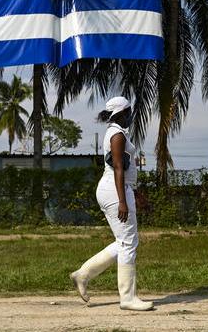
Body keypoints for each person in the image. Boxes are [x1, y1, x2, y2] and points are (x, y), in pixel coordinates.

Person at [69, 96, 153, 311]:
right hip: (115, 192)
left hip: (118, 190)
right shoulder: (117, 134)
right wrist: (123, 202)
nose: (131, 116)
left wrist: (135, 194)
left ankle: (83, 274)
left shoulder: (117, 132)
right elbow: (117, 168)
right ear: (122, 113)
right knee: (128, 244)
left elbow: (124, 169)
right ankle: (127, 298)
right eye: (129, 112)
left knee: (123, 241)